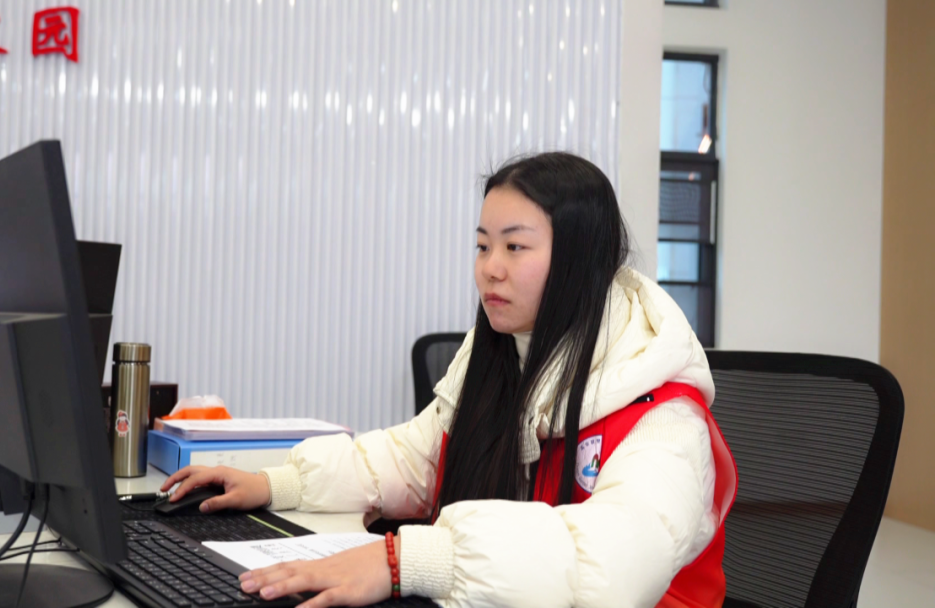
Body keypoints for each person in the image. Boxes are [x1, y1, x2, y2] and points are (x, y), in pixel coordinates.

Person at [162, 152, 737, 608]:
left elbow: (610, 565)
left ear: (578, 260)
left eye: (515, 246)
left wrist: (409, 561)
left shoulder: (666, 420)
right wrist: (276, 484)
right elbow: (414, 458)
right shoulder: (502, 355)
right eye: (483, 245)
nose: (490, 267)